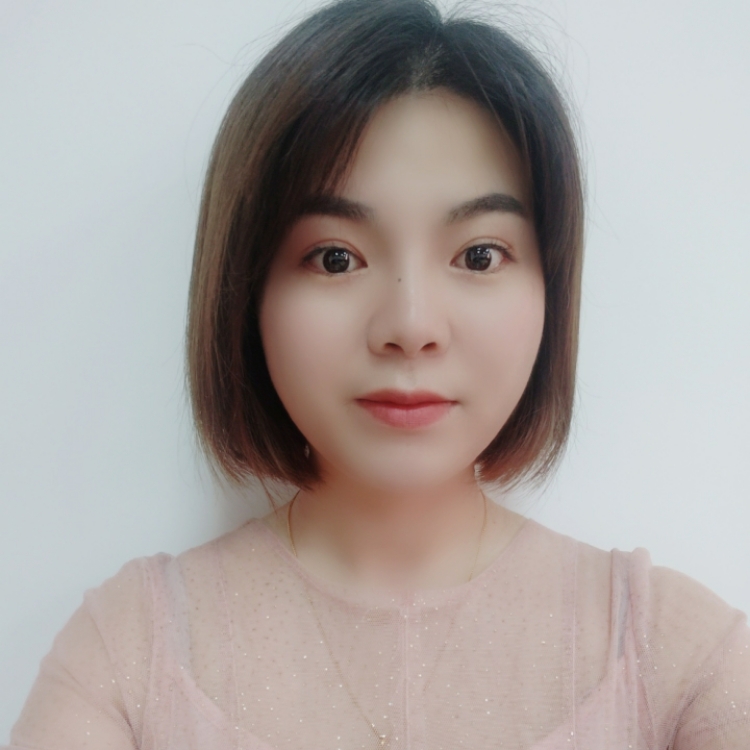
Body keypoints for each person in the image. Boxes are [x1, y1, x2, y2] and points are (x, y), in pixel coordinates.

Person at [7, 0, 749, 748]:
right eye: (336, 258)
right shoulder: (131, 656)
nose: (411, 325)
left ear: (551, 289)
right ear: (245, 293)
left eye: (479, 255)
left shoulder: (677, 660)